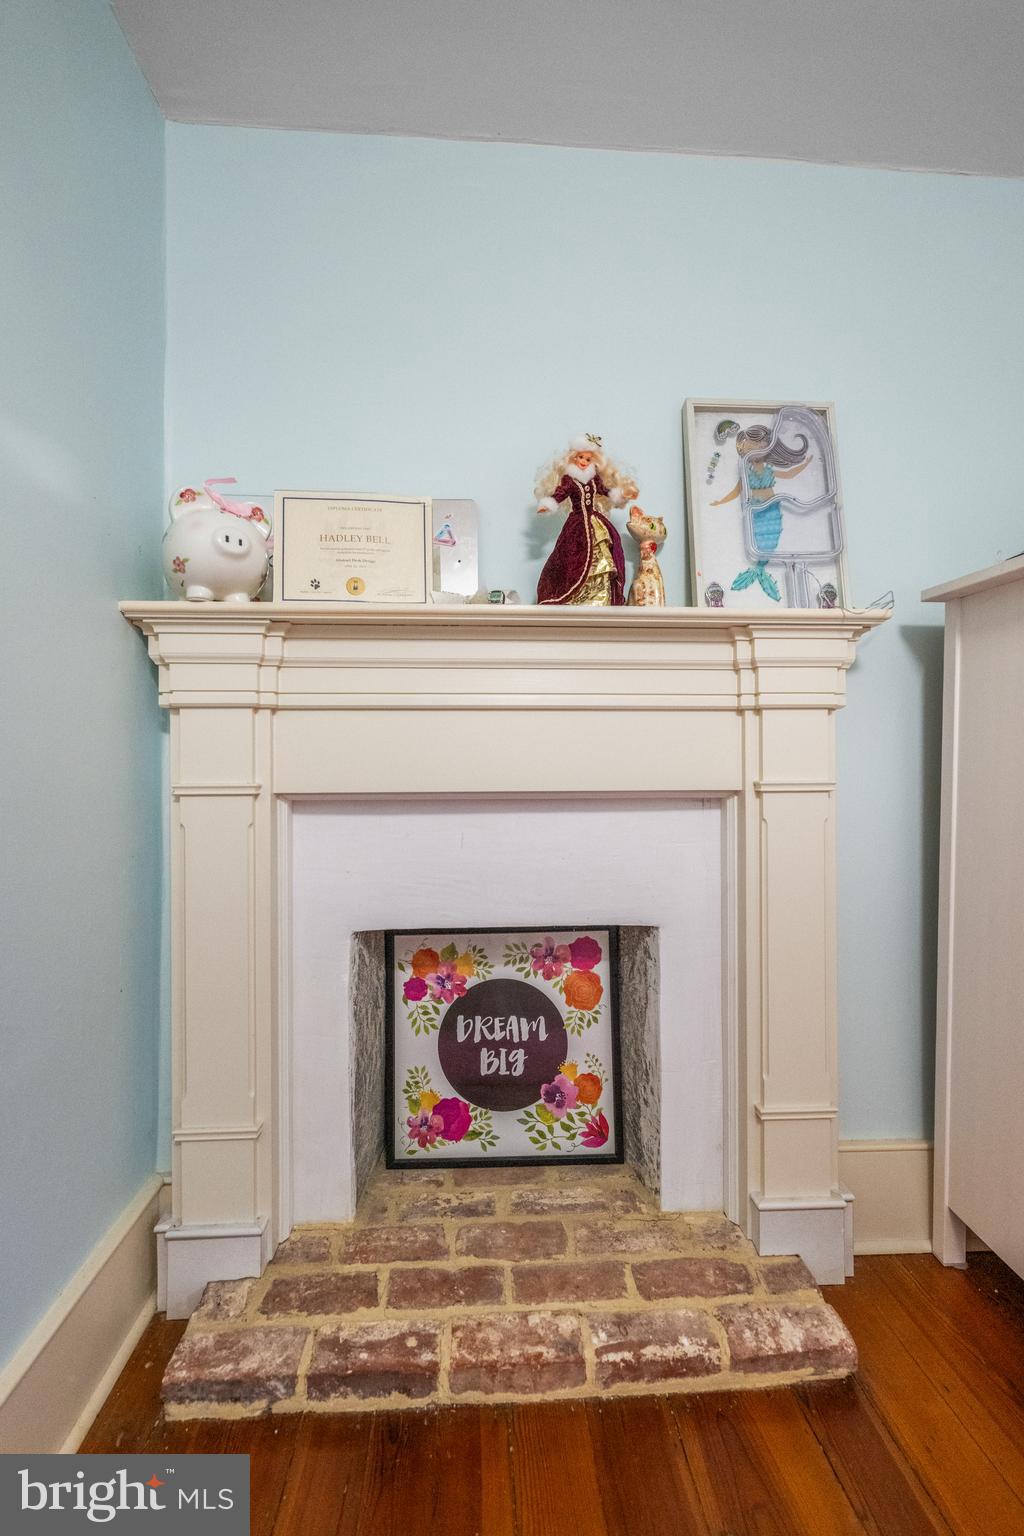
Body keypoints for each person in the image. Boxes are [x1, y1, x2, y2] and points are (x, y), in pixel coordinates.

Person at [711, 423, 812, 601]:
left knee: (768, 543)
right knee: (757, 543)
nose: (757, 449)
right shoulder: (745, 473)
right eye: (753, 445)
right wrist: (720, 502)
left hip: (772, 512)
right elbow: (737, 491)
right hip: (756, 515)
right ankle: (757, 572)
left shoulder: (769, 470)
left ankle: (760, 572)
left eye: (761, 444)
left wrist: (806, 464)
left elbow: (789, 474)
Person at [534, 434, 638, 605]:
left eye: (588, 459)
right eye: (580, 457)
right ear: (573, 457)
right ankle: (577, 595)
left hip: (595, 521)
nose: (583, 461)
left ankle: (599, 595)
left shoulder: (593, 478)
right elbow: (560, 494)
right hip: (577, 524)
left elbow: (605, 491)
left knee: (603, 552)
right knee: (573, 557)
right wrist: (549, 504)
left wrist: (622, 494)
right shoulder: (569, 480)